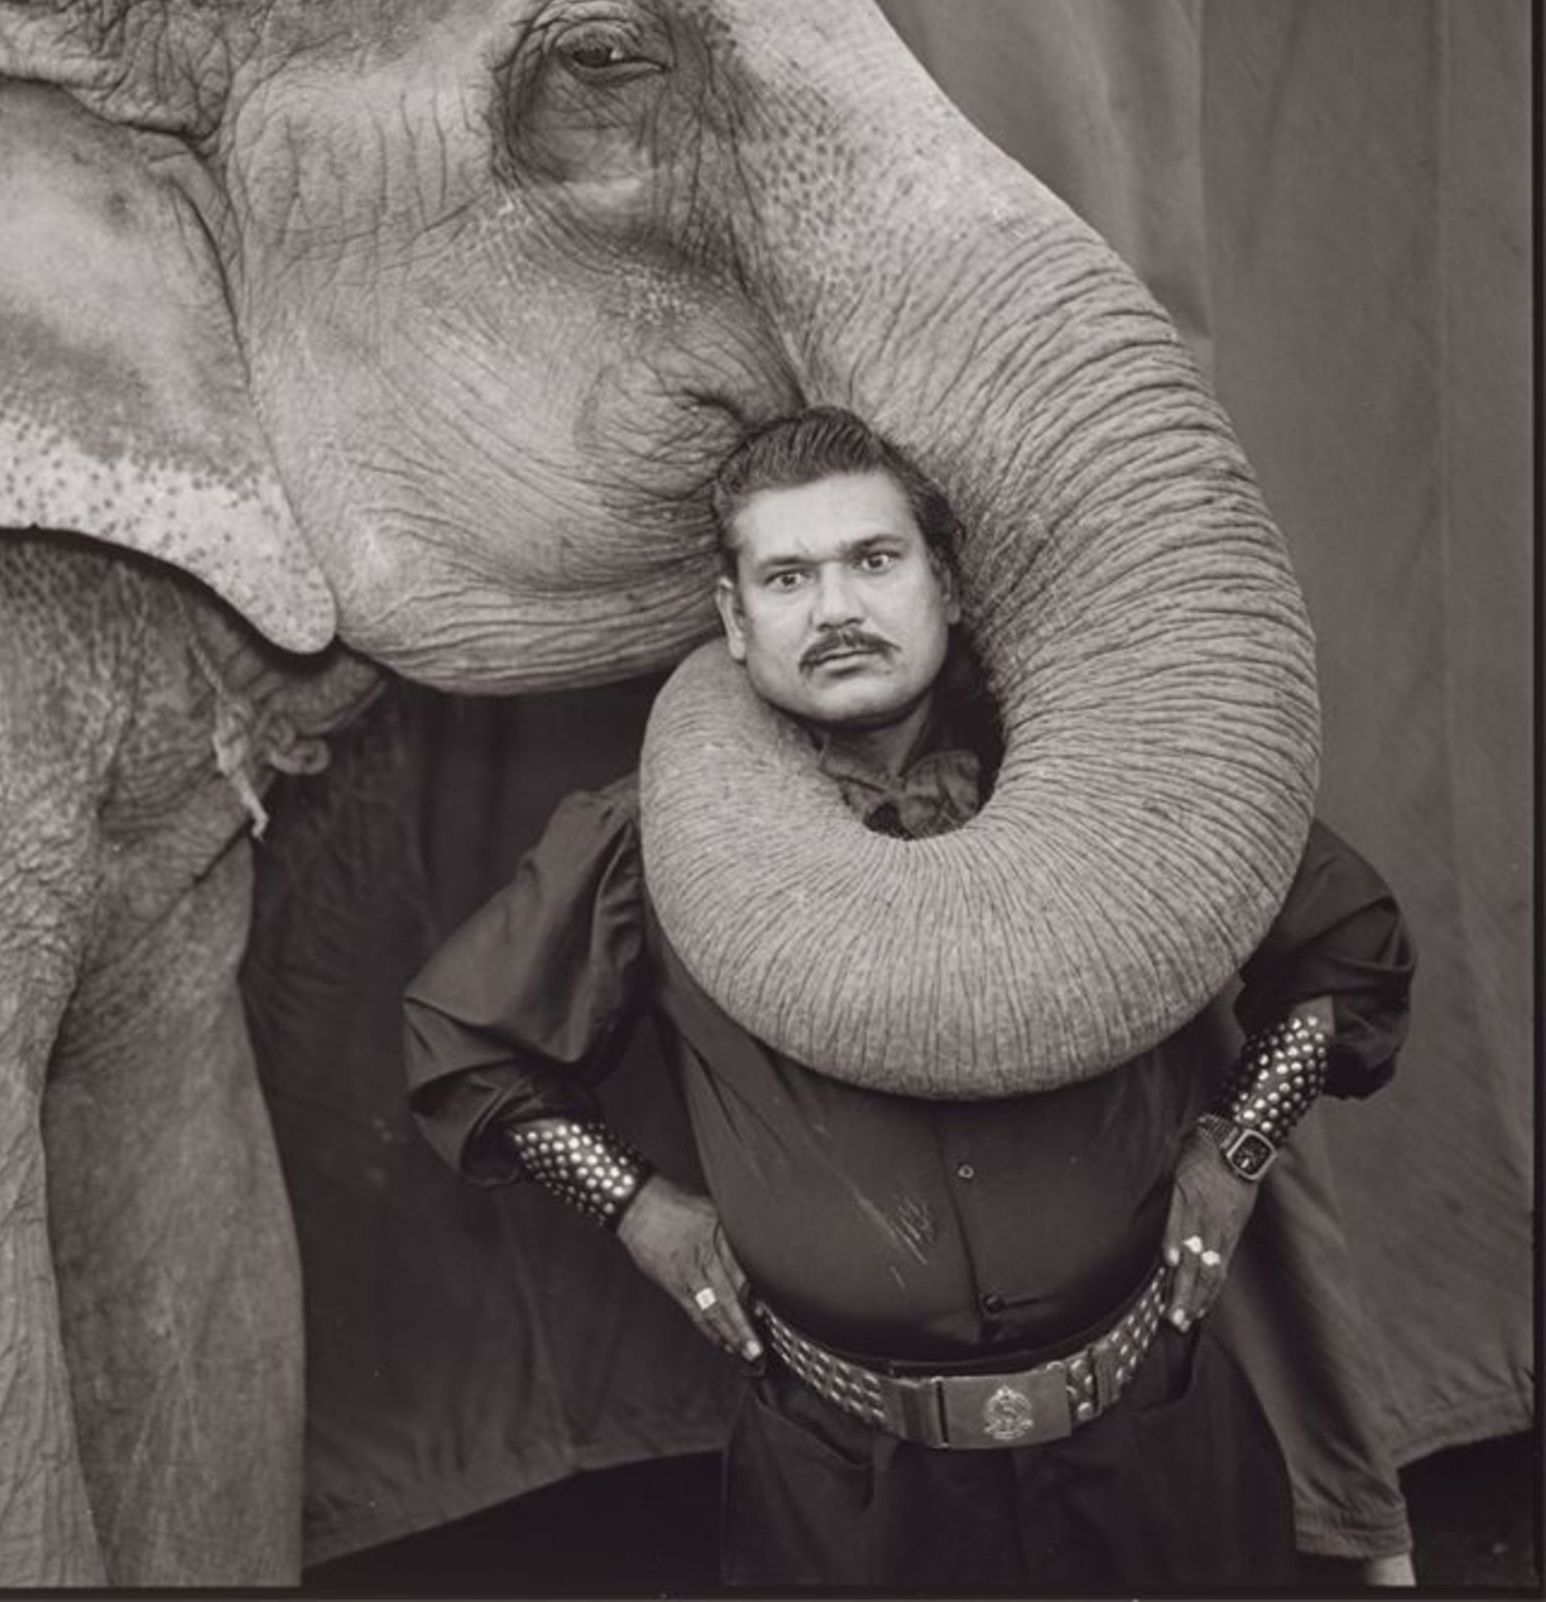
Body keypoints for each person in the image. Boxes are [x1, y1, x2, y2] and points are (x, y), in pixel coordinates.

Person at [403, 407, 1414, 1589]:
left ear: (947, 582)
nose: (835, 609)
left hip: (1154, 1452)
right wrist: (637, 1208)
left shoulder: (1117, 771)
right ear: (734, 621)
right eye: (787, 575)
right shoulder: (661, 838)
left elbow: (1345, 946)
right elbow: (462, 1048)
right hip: (850, 1499)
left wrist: (1238, 1150)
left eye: (873, 561)